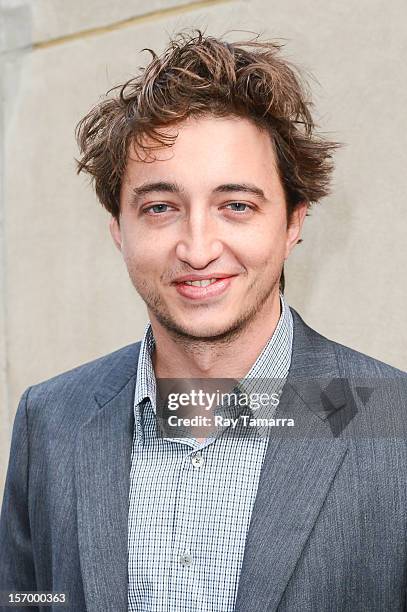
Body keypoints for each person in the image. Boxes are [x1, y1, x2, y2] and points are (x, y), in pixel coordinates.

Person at [1, 29, 406, 612]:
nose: (197, 247)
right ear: (118, 229)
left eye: (235, 205)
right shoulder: (50, 419)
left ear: (293, 222)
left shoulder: (392, 421)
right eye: (160, 207)